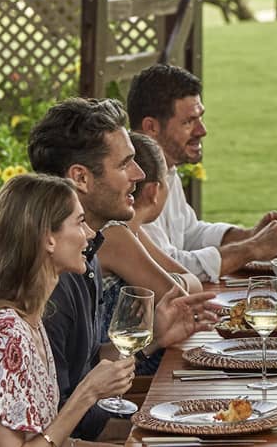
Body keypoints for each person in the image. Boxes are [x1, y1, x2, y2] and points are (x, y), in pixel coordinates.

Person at [26, 98, 218, 438]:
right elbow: (56, 417)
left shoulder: (87, 254)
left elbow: (84, 367)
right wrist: (152, 432)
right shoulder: (48, 279)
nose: (140, 175)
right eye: (125, 163)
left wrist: (153, 338)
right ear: (80, 177)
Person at [0, 173, 134, 447]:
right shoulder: (4, 336)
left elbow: (49, 439)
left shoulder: (30, 320)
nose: (90, 235)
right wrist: (87, 393)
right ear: (48, 239)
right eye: (80, 222)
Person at [127, 64, 277, 281]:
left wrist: (247, 235)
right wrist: (252, 248)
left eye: (200, 118)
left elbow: (190, 233)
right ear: (151, 127)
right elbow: (170, 269)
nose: (202, 130)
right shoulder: (134, 185)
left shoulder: (166, 168)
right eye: (189, 121)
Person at [94, 132, 204, 375]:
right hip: (133, 373)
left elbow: (191, 286)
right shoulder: (114, 234)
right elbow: (184, 302)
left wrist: (166, 289)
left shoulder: (131, 231)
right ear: (154, 191)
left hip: (136, 363)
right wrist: (164, 291)